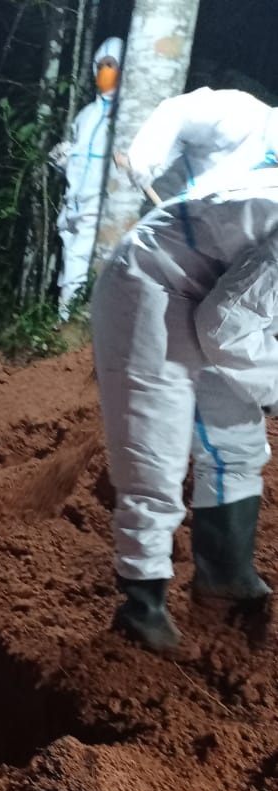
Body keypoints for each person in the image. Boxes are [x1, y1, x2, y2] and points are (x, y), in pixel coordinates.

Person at [91, 162, 278, 652]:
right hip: (151, 282)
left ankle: (224, 575)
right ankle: (142, 609)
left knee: (236, 435)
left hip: (215, 287)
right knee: (155, 452)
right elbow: (226, 328)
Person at [50, 38, 124, 320]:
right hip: (73, 205)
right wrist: (63, 161)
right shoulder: (86, 116)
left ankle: (75, 326)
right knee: (70, 264)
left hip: (100, 207)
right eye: (102, 65)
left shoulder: (126, 117)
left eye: (113, 65)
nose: (106, 71)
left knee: (86, 267)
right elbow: (79, 160)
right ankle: (62, 324)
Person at [123, 87, 275, 202]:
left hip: (209, 231)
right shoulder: (241, 110)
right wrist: (144, 158)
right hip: (167, 203)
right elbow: (176, 110)